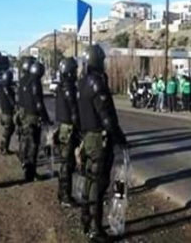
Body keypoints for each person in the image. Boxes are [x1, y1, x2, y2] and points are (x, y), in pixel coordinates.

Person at [77, 44, 127, 241]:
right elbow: (107, 117)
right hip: (99, 139)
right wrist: (119, 137)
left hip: (88, 138)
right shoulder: (96, 83)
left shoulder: (82, 83)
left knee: (89, 181)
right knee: (98, 184)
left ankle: (86, 219)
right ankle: (96, 230)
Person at [19, 61, 52, 181]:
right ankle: (30, 173)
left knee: (26, 142)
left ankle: (25, 163)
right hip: (33, 117)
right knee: (33, 146)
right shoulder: (35, 82)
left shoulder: (26, 81)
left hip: (26, 115)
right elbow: (39, 103)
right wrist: (46, 119)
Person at [55, 57, 81, 207]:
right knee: (67, 164)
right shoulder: (68, 88)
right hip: (68, 129)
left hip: (63, 128)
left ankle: (63, 194)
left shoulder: (61, 86)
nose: (76, 73)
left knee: (66, 164)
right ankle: (65, 196)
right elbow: (73, 111)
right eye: (74, 70)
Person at [0, 70, 16, 155]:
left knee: (9, 130)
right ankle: (4, 148)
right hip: (8, 114)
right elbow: (11, 100)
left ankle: (4, 146)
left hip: (3, 113)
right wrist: (15, 106)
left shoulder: (2, 88)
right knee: (8, 131)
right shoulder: (7, 89)